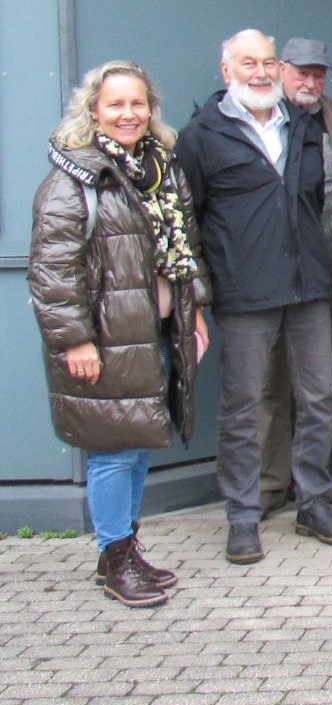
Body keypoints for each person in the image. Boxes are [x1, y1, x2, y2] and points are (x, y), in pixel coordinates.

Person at [29, 62, 212, 608]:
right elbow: (53, 271)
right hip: (106, 339)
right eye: (116, 105)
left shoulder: (159, 169)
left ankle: (126, 549)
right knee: (113, 450)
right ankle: (114, 559)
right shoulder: (73, 179)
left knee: (135, 446)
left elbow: (186, 252)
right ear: (93, 111)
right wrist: (75, 341)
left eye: (138, 104)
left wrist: (194, 311)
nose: (129, 114)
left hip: (153, 329)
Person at [176, 30, 332, 564]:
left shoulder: (302, 125)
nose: (260, 72)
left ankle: (313, 500)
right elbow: (189, 222)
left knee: (319, 396)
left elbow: (313, 201)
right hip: (246, 292)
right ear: (225, 69)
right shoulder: (201, 136)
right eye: (247, 62)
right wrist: (205, 290)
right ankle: (243, 514)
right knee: (244, 405)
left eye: (268, 62)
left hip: (309, 285)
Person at [257, 37, 332, 517]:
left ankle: (310, 482)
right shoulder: (258, 121)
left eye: (319, 74)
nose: (311, 82)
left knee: (323, 381)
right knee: (269, 379)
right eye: (301, 72)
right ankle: (268, 483)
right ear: (281, 70)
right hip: (273, 269)